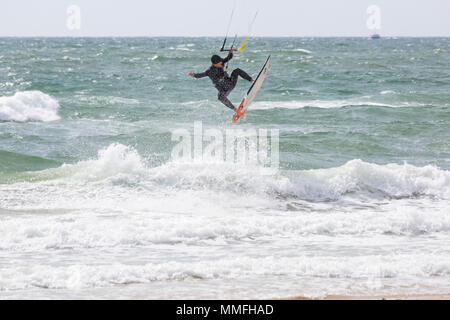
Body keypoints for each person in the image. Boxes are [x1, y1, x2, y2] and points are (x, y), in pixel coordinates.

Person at [188, 49, 254, 113]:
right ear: (214, 64)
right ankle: (234, 109)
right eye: (219, 63)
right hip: (224, 89)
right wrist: (194, 75)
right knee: (220, 97)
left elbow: (228, 58)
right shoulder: (209, 71)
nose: (221, 63)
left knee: (237, 70)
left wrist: (230, 53)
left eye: (221, 62)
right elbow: (201, 75)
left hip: (230, 82)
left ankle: (251, 80)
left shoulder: (221, 62)